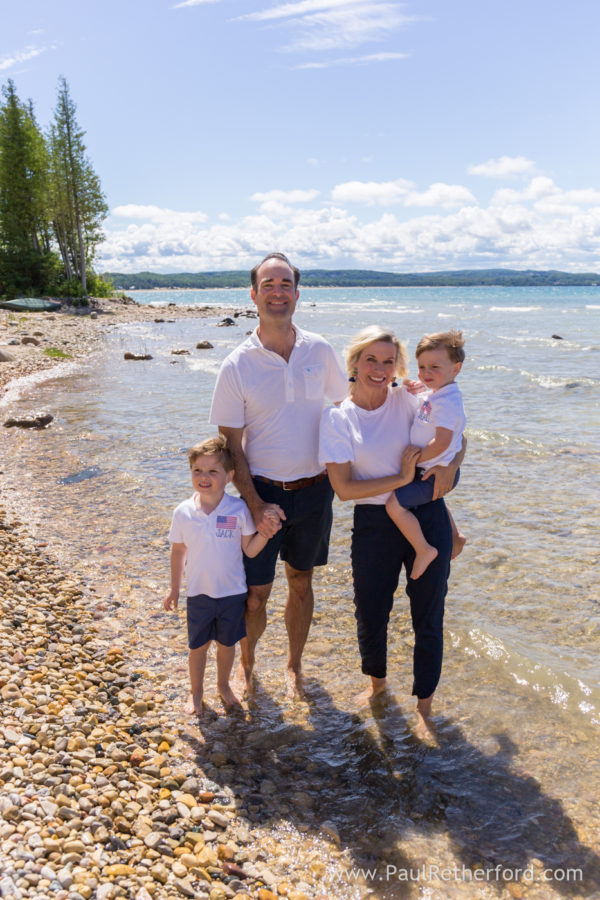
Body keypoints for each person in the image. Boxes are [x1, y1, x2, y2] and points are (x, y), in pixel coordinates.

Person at [209, 252, 348, 696]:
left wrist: (414, 398)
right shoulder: (236, 365)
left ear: (297, 294)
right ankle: (247, 666)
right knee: (256, 594)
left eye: (285, 284)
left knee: (301, 583)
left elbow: (351, 406)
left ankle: (294, 666)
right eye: (268, 285)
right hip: (262, 492)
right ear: (253, 295)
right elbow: (231, 446)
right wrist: (254, 504)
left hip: (315, 491)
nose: (277, 292)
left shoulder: (319, 350)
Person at [318, 325, 465, 737]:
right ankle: (377, 686)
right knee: (371, 611)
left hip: (427, 516)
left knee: (428, 616)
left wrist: (451, 467)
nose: (380, 369)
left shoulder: (412, 397)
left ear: (397, 365)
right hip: (373, 525)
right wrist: (401, 479)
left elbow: (457, 434)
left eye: (388, 361)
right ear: (354, 363)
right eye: (371, 359)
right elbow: (344, 490)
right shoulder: (337, 418)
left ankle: (425, 708)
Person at [163, 435, 280, 715]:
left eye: (212, 471)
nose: (204, 477)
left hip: (232, 593)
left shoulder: (238, 509)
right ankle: (196, 692)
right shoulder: (183, 512)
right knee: (198, 646)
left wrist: (266, 534)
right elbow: (178, 552)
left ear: (229, 476)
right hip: (198, 593)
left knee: (227, 645)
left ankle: (223, 685)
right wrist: (174, 589)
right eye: (197, 470)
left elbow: (250, 550)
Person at [385, 330, 467, 579]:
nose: (426, 373)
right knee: (434, 500)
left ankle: (424, 549)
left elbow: (442, 442)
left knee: (394, 505)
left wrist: (414, 461)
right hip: (433, 468)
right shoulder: (437, 393)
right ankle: (456, 536)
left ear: (456, 368)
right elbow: (422, 399)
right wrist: (412, 385)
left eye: (435, 367)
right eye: (422, 367)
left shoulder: (447, 401)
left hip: (434, 471)